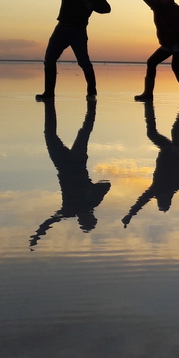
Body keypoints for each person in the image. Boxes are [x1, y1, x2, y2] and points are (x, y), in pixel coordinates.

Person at [28, 0, 110, 101]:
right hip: (61, 28)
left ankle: (92, 91)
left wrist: (92, 6)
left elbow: (106, 8)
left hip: (78, 31)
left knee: (84, 62)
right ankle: (48, 93)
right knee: (49, 59)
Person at [29, 98, 110, 250]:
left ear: (80, 220)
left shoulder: (69, 211)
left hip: (63, 165)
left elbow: (48, 223)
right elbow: (107, 184)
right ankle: (91, 105)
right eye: (88, 218)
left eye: (84, 220)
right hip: (77, 163)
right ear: (92, 217)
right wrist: (91, 188)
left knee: (50, 133)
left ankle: (50, 102)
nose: (85, 217)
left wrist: (37, 236)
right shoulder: (92, 202)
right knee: (84, 131)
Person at [122, 100, 179, 227]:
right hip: (175, 152)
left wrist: (130, 215)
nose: (159, 199)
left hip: (170, 150)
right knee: (173, 129)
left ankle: (150, 105)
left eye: (159, 202)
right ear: (167, 200)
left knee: (158, 132)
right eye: (162, 201)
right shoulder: (168, 187)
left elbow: (141, 202)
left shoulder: (160, 190)